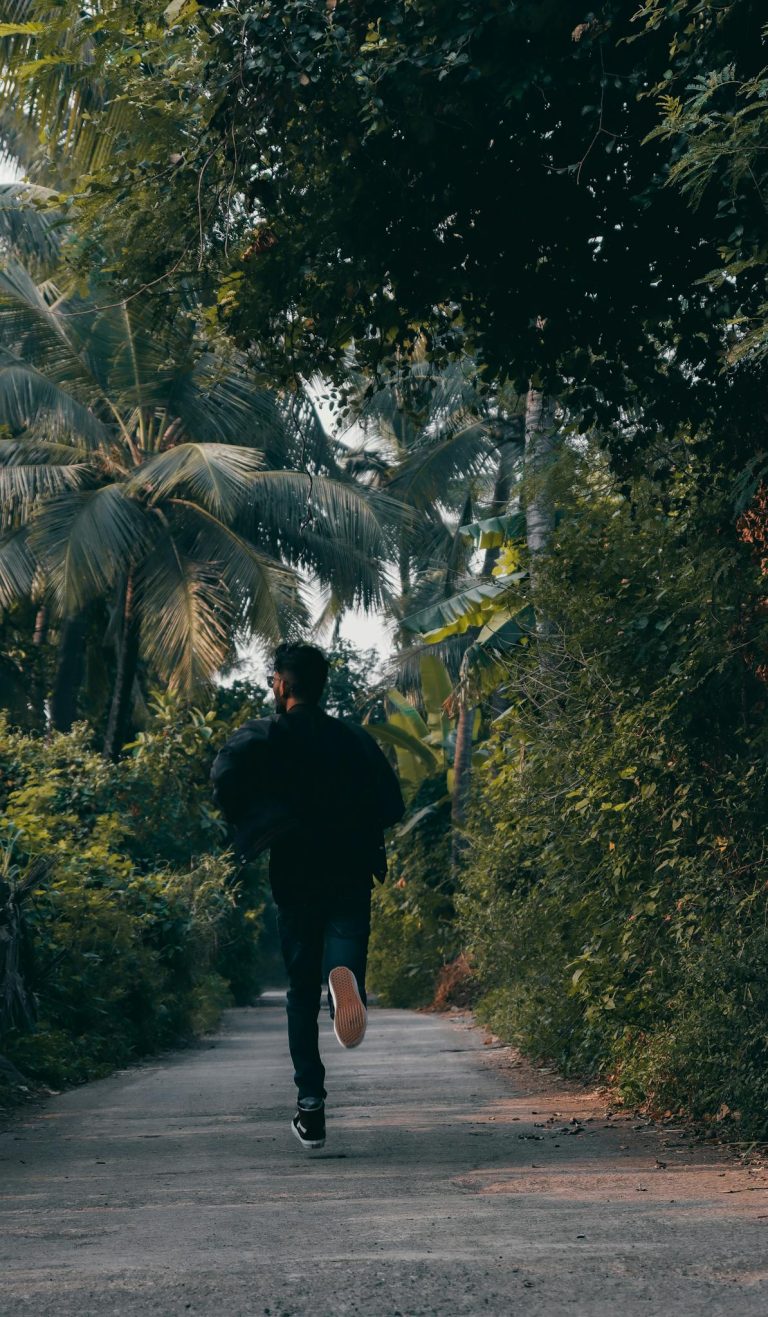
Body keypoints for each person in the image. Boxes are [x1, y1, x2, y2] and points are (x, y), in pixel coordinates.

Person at [210, 642, 405, 1150]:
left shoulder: (264, 735)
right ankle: (347, 983)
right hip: (350, 869)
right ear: (321, 685)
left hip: (295, 873)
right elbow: (392, 803)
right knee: (343, 949)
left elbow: (224, 774)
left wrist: (261, 823)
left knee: (299, 995)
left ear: (281, 683)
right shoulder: (353, 740)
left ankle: (311, 1105)